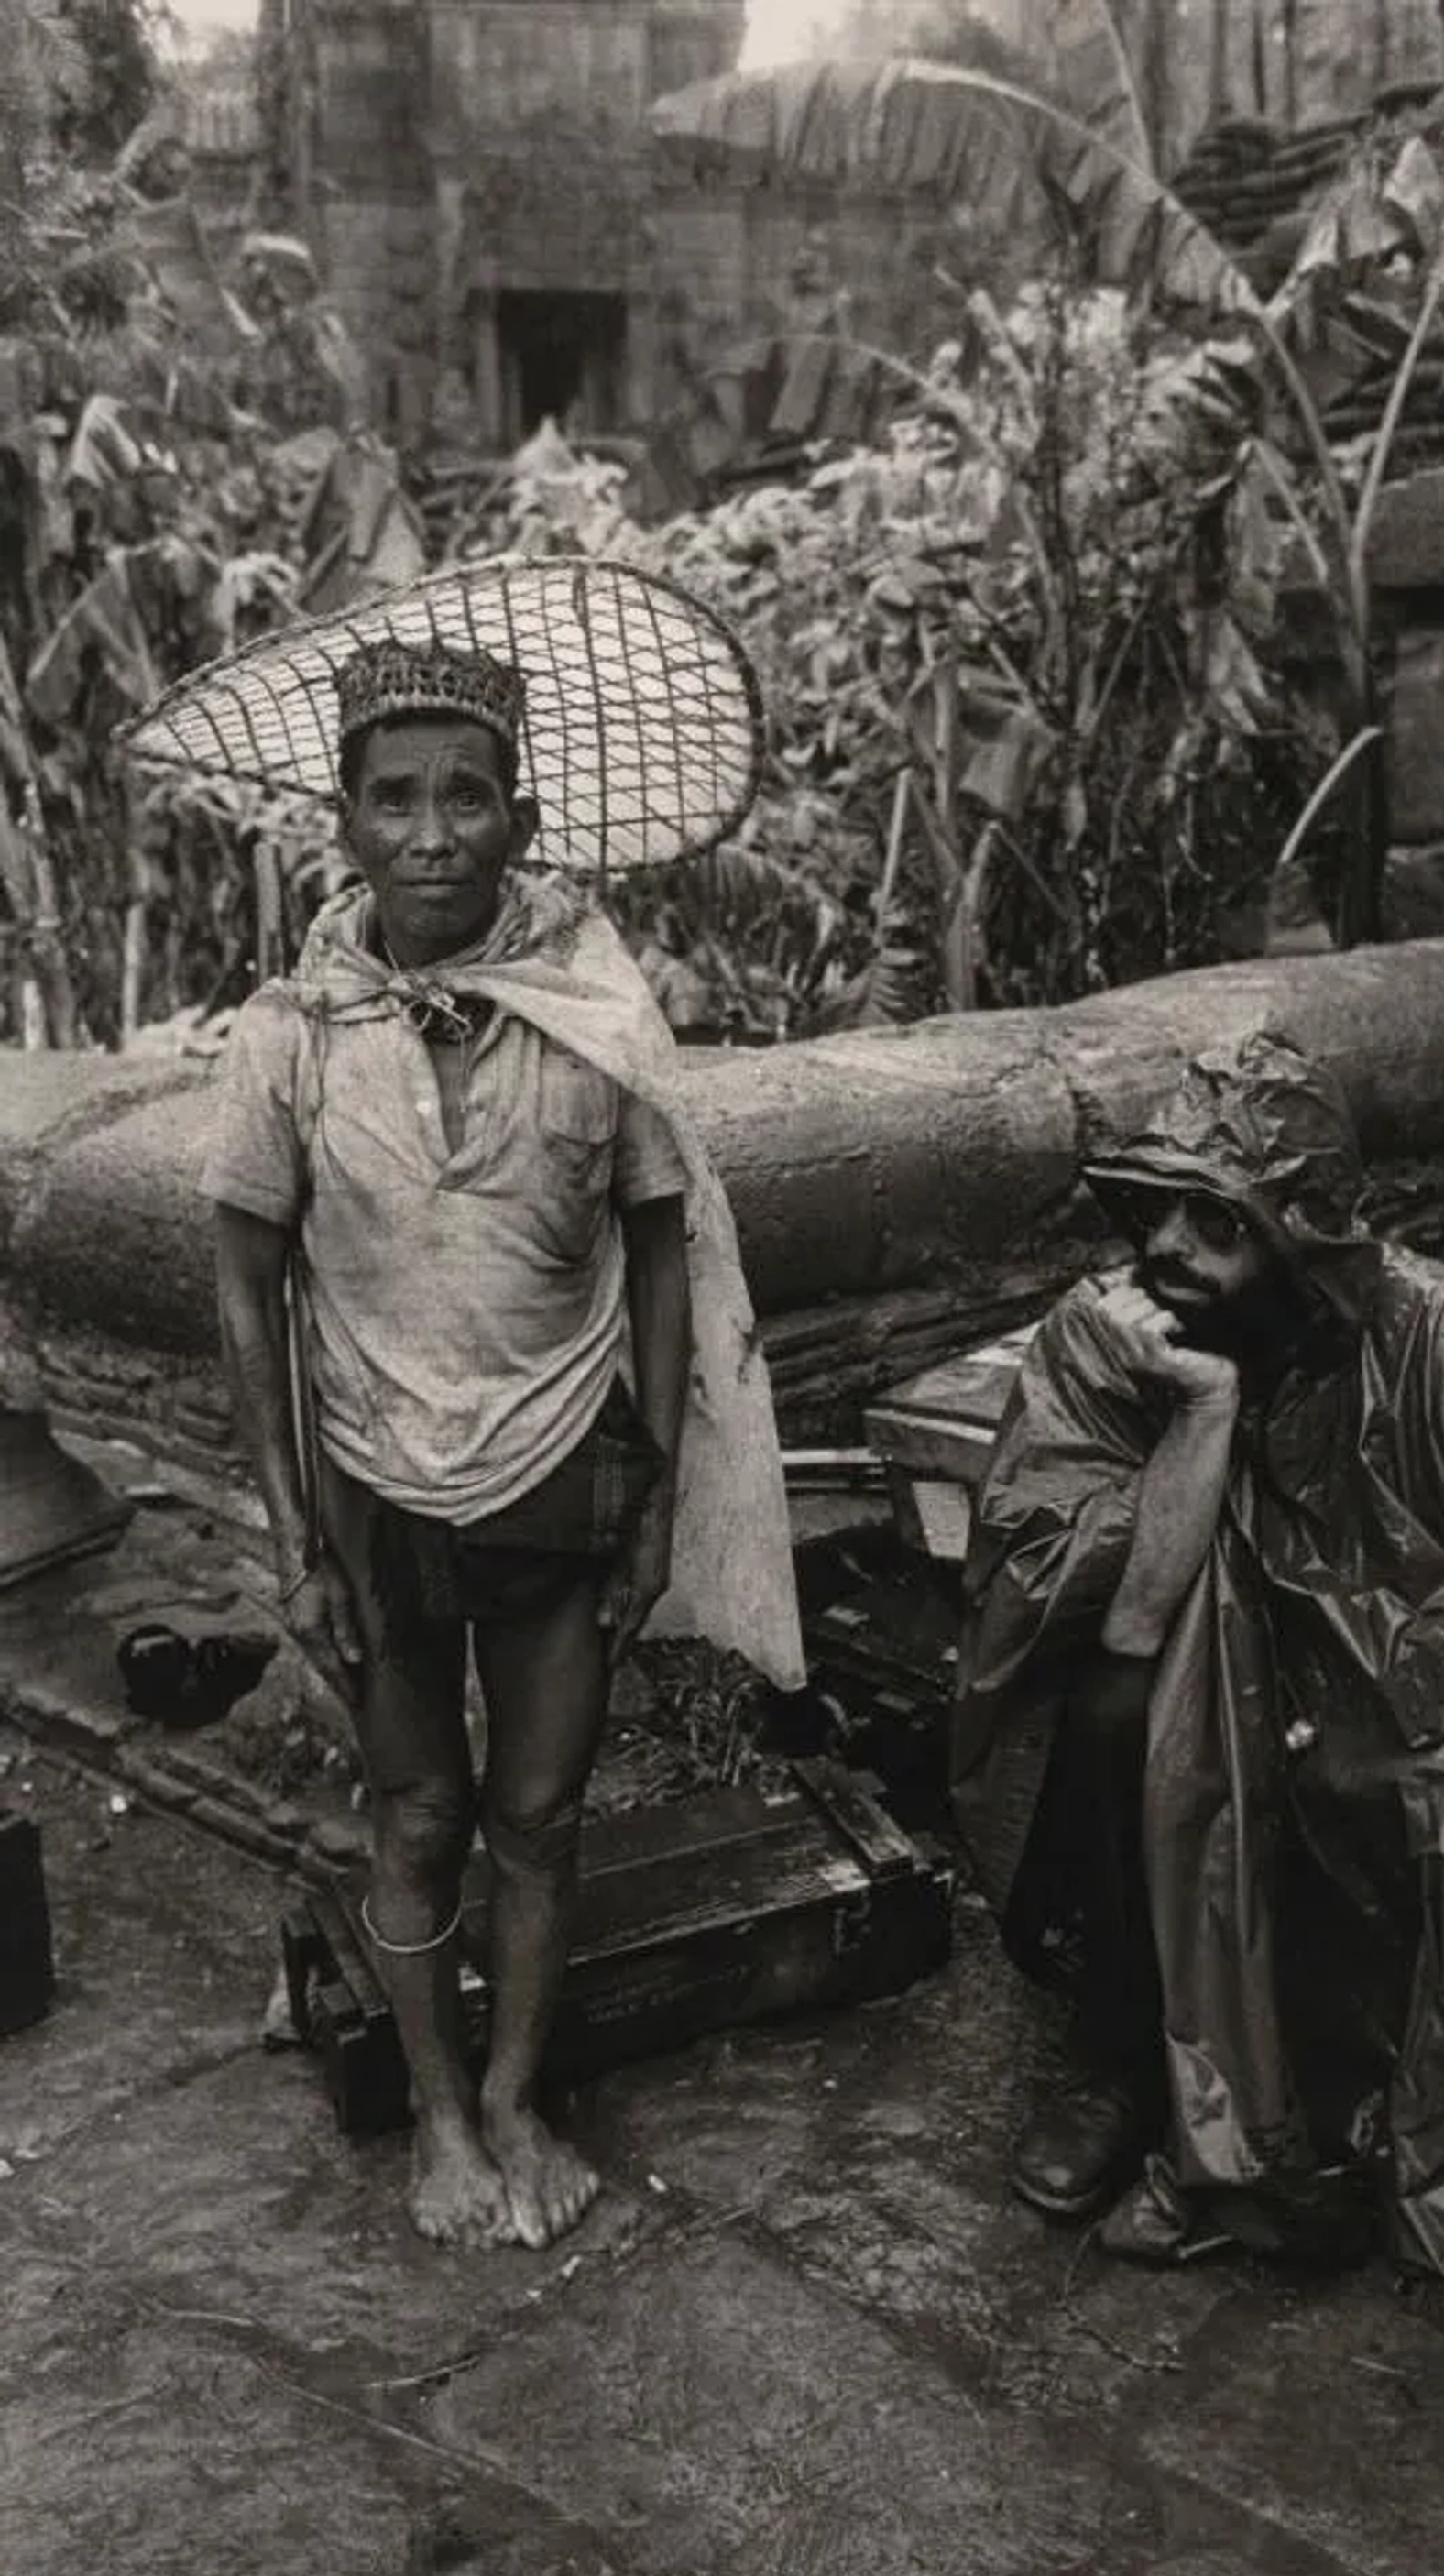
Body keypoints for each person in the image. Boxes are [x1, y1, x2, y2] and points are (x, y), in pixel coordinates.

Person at [952, 1030, 1444, 2359]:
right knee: (1124, 1717)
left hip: (1376, 1672)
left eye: (1220, 1223)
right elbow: (1128, 1618)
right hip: (1172, 1677)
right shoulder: (1104, 1340)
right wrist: (1198, 1413)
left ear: (1300, 1238)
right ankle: (1124, 2055)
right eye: (1162, 1212)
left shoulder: (1428, 1329)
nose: (1174, 1254)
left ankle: (1343, 2086)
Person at [196, 626, 800, 2252]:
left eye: (469, 796)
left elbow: (663, 1245)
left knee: (541, 1808)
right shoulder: (291, 1038)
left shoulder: (595, 1010)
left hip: (562, 1468)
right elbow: (248, 1289)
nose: (433, 832)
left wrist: (661, 1499)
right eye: (396, 798)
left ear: (521, 822)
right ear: (347, 818)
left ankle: (522, 2095)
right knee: (416, 1814)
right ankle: (443, 2120)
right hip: (381, 1488)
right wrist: (292, 1539)